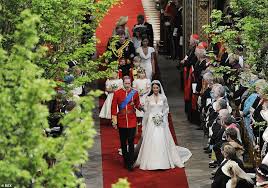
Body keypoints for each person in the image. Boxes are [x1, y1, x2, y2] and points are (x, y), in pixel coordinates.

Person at [135, 80, 192, 170]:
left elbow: (166, 109)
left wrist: (162, 116)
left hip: (161, 121)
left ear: (159, 88)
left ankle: (163, 161)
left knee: (161, 139)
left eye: (157, 88)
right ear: (152, 89)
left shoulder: (163, 98)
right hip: (151, 121)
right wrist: (142, 108)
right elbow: (146, 109)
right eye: (154, 88)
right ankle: (150, 161)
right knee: (152, 139)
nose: (155, 89)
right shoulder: (148, 98)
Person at [111, 76, 143, 171]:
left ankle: (130, 162)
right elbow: (113, 108)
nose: (127, 85)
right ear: (123, 83)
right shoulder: (117, 93)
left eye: (129, 83)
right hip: (121, 121)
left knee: (131, 141)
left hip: (132, 120)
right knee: (123, 143)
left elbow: (137, 105)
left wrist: (140, 107)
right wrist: (114, 121)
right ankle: (126, 161)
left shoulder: (135, 93)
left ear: (131, 83)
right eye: (126, 83)